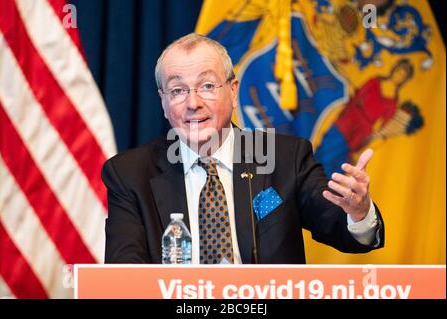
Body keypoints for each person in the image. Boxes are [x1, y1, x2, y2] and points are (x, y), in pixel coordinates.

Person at [102, 33, 384, 264]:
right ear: (163, 102)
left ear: (233, 91)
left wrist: (358, 212)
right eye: (177, 91)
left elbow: (338, 227)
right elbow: (124, 272)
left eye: (207, 85)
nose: (192, 103)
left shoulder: (285, 159)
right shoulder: (130, 174)